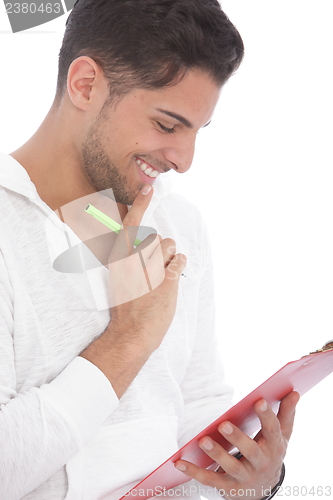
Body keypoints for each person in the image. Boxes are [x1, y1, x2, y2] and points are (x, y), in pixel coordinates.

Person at [0, 0, 299, 499]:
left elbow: (195, 404)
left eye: (197, 131)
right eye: (167, 125)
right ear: (86, 85)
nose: (184, 161)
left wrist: (254, 480)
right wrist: (130, 338)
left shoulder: (178, 222)